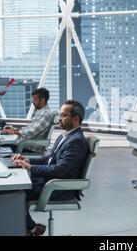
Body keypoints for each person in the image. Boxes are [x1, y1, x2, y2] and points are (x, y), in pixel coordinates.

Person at [12, 100, 88, 236]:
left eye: (64, 115)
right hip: (48, 181)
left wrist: (30, 168)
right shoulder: (65, 136)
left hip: (58, 188)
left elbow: (60, 169)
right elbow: (49, 159)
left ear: (76, 119)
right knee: (14, 186)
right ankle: (32, 229)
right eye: (60, 115)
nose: (59, 118)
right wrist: (28, 160)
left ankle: (32, 230)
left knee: (15, 195)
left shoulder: (76, 141)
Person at [2, 88, 56, 153]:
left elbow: (31, 132)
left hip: (30, 148)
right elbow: (29, 128)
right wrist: (14, 129)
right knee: (0, 146)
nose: (32, 101)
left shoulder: (45, 114)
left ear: (42, 100)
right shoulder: (41, 111)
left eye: (35, 99)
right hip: (25, 145)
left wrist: (13, 132)